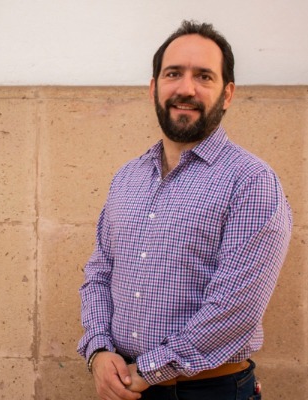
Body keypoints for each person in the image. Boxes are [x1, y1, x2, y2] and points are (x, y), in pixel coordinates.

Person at [77, 20, 292, 400]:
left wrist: (147, 370)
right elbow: (100, 272)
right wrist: (98, 350)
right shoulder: (128, 176)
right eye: (173, 73)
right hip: (125, 385)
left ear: (227, 94)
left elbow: (235, 310)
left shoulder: (251, 182)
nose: (186, 88)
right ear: (154, 88)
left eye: (204, 76)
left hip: (207, 391)